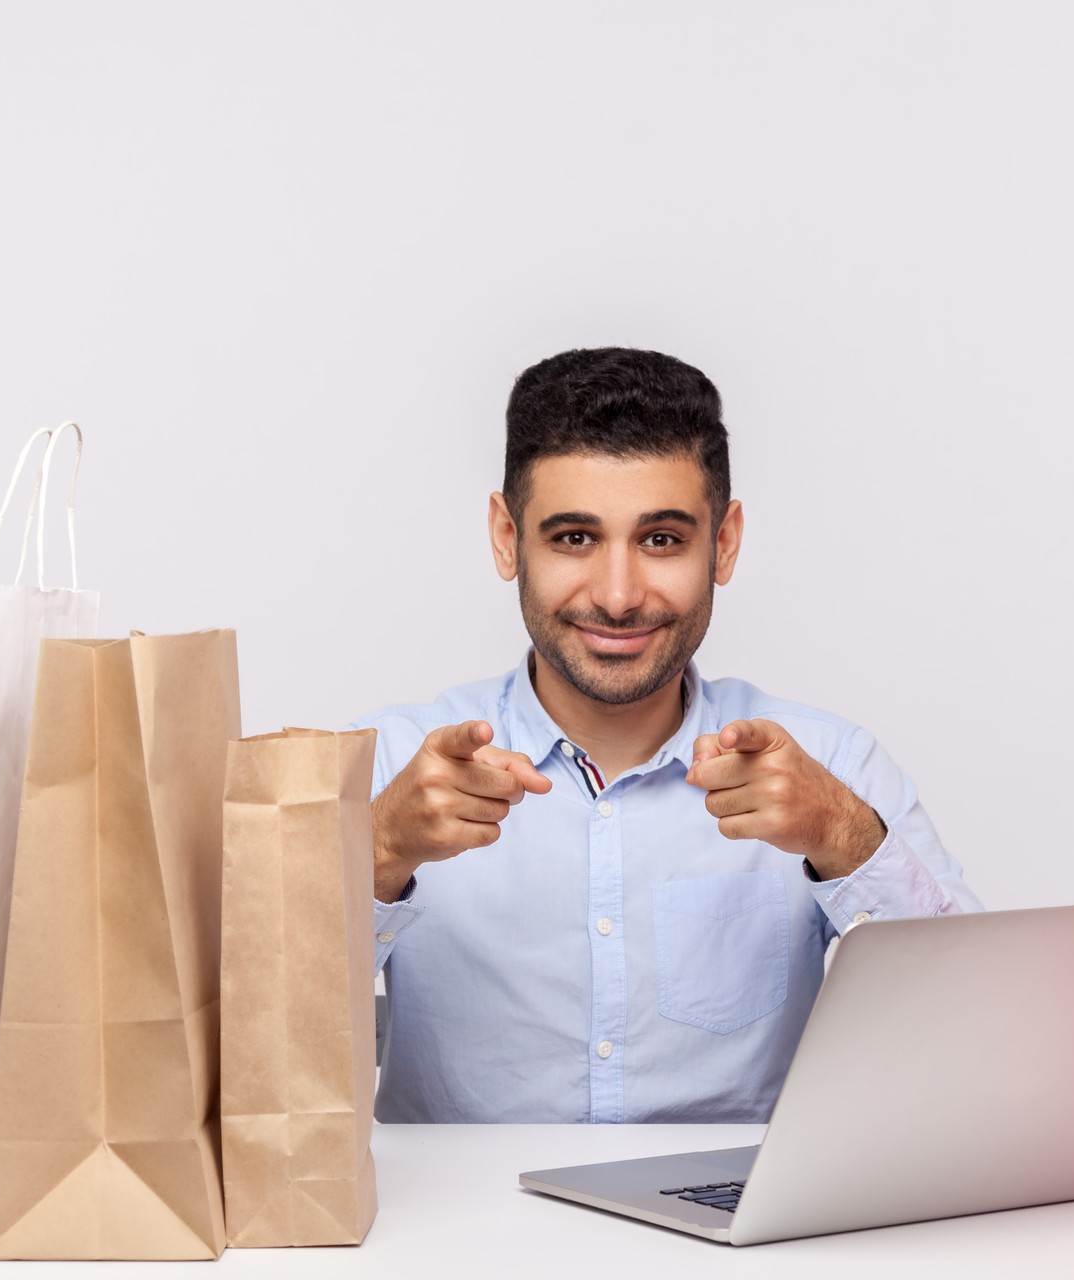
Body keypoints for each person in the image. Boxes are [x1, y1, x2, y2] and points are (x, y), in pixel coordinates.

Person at [353, 347, 981, 1124]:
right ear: (507, 539)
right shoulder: (387, 763)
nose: (618, 597)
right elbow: (254, 1050)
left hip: (735, 1241)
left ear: (722, 543)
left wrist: (846, 836)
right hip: (455, 1237)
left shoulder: (831, 765)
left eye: (661, 540)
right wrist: (374, 852)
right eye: (575, 538)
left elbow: (977, 1049)